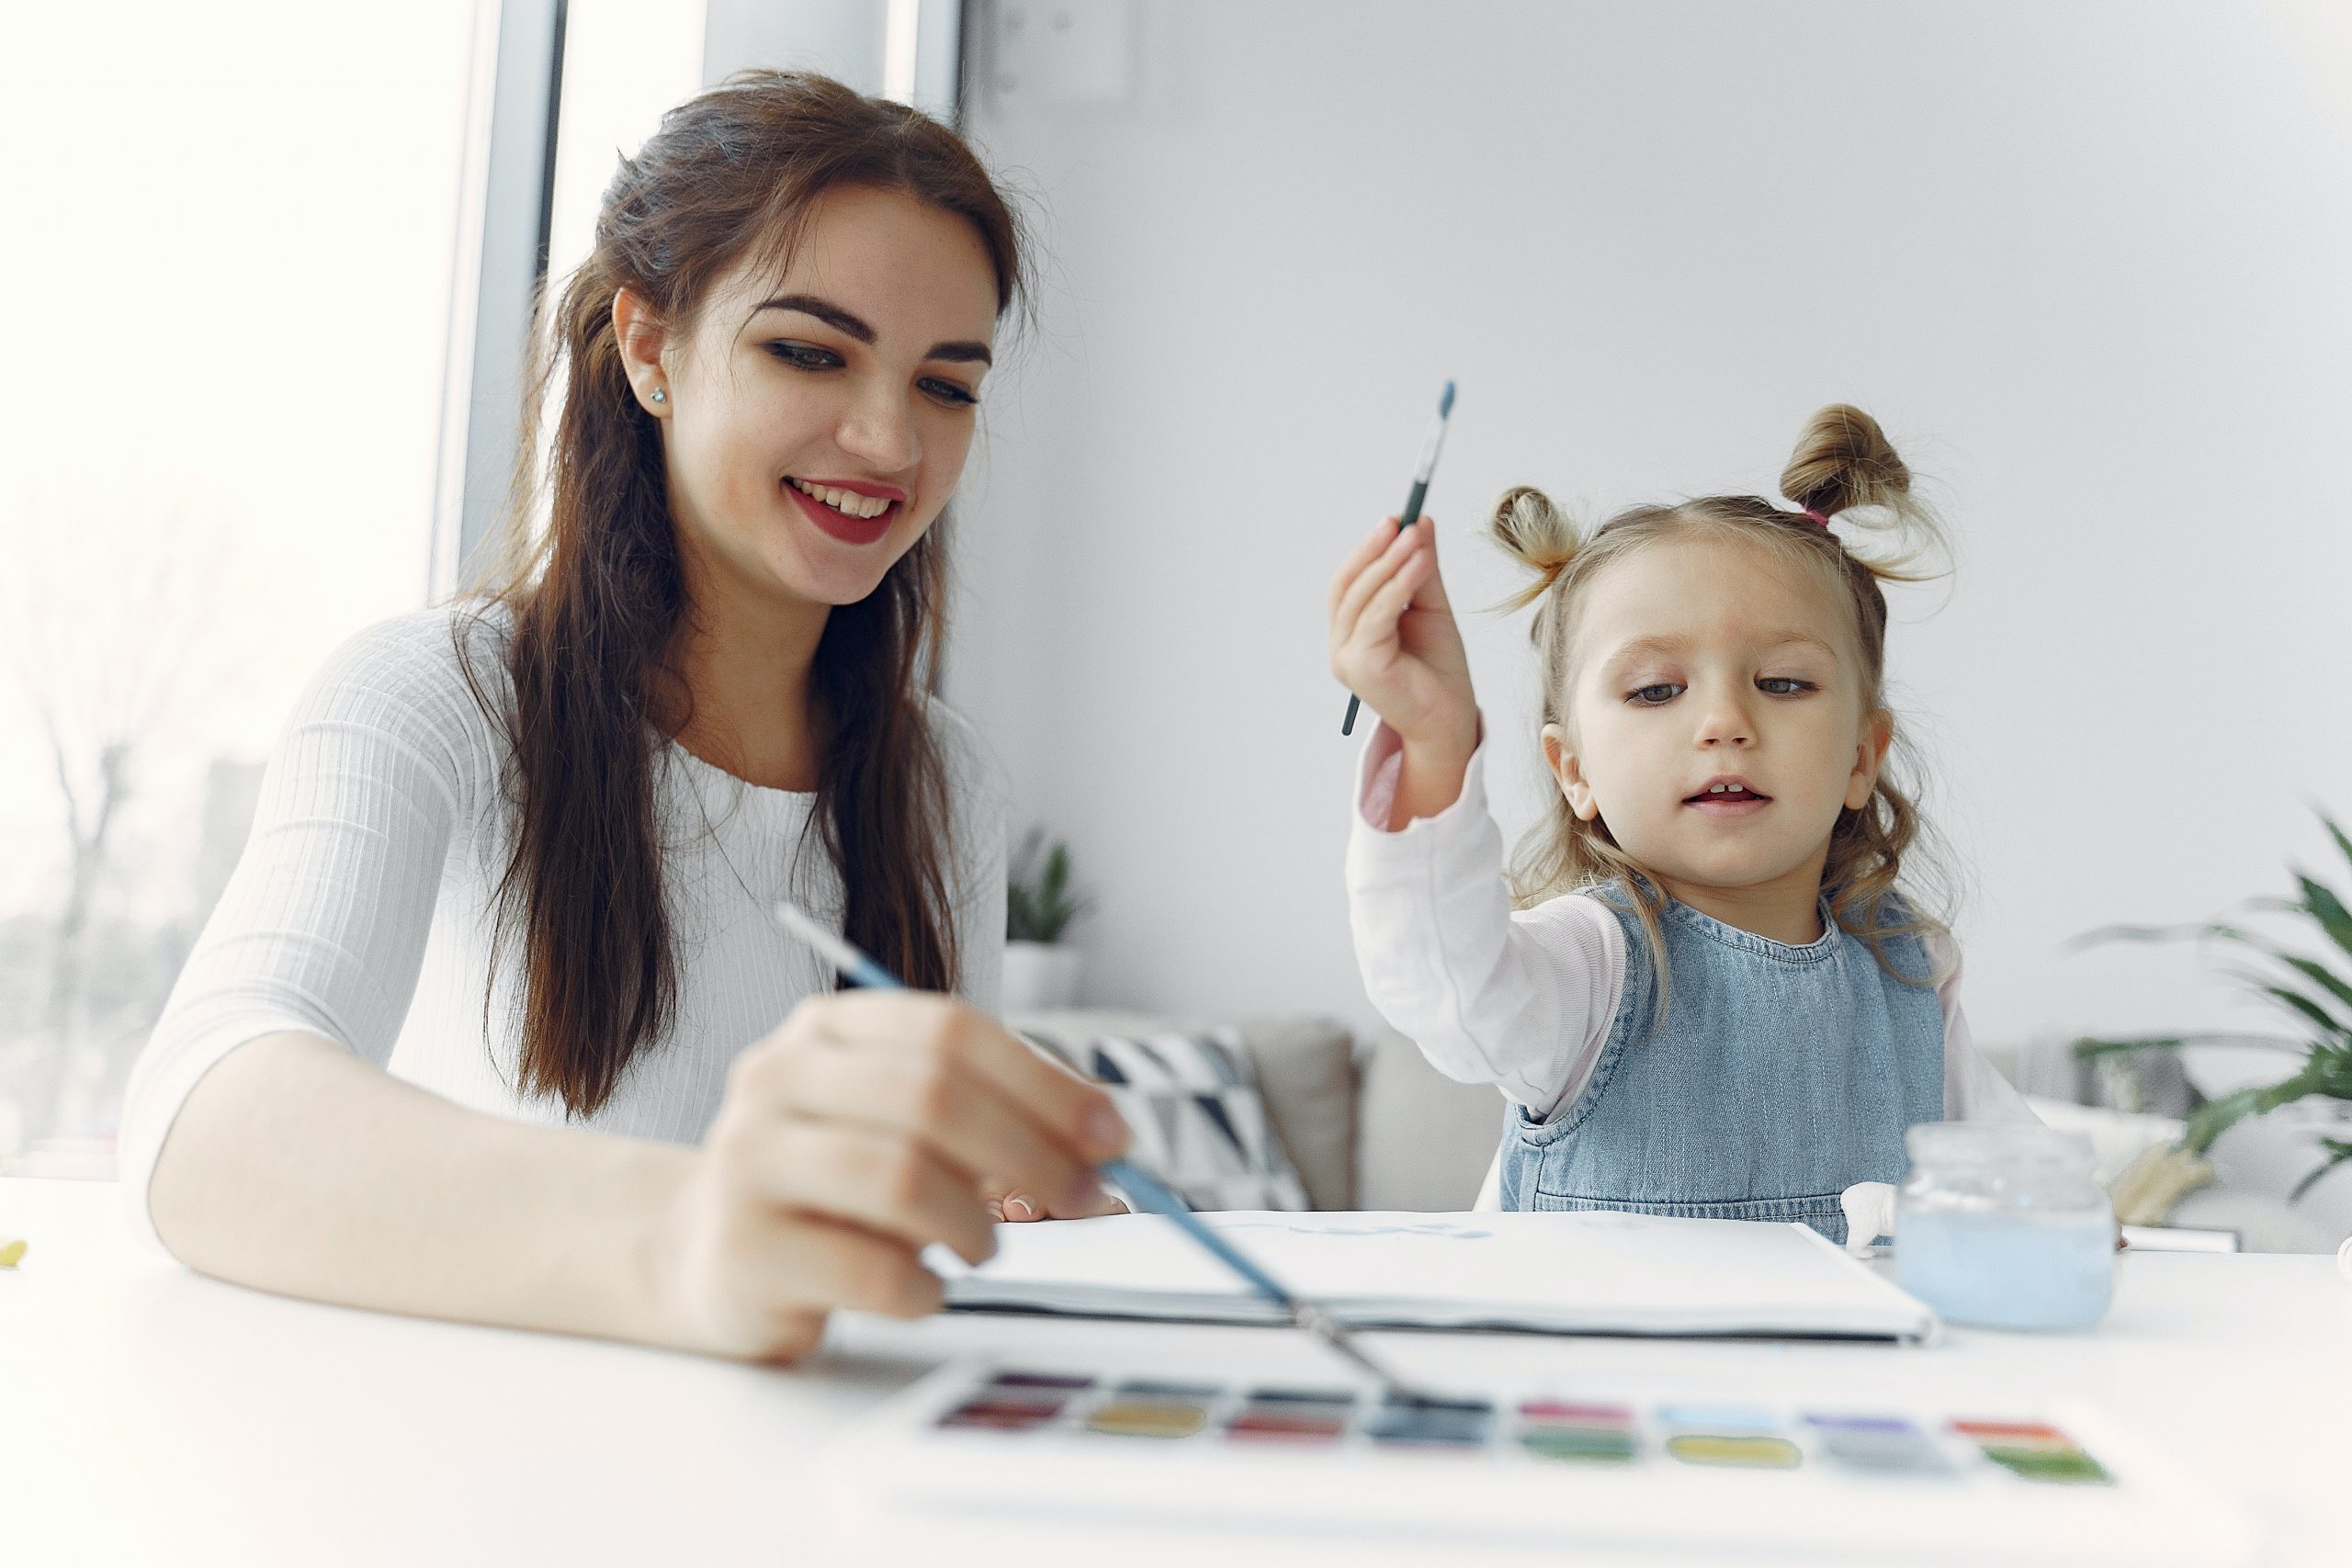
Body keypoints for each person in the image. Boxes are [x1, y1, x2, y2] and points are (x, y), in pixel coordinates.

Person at [120, 71, 1126, 1363]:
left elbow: (940, 1223)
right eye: (809, 351)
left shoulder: (944, 780)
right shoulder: (433, 698)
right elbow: (203, 1121)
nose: (888, 439)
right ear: (650, 347)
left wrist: (998, 1182)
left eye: (948, 385)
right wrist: (696, 1230)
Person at [1328, 405, 2035, 1240]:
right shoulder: (1586, 972)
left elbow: (2020, 1176)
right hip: (1593, 1372)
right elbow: (1447, 989)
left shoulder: (1910, 977)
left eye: (1783, 682)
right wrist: (1435, 744)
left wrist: (2064, 1217)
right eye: (1657, 691)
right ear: (1575, 771)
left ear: (1859, 757)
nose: (1724, 721)